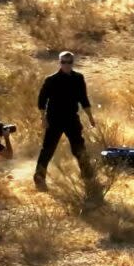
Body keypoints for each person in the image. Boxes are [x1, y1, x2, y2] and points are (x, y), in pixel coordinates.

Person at [35, 51, 96, 191]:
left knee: (79, 148)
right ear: (59, 62)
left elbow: (83, 99)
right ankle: (39, 178)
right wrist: (43, 118)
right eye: (63, 62)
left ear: (72, 63)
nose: (66, 65)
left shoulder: (78, 78)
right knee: (48, 149)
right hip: (54, 119)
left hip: (71, 119)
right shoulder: (51, 80)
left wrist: (90, 117)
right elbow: (42, 100)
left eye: (69, 62)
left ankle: (88, 177)